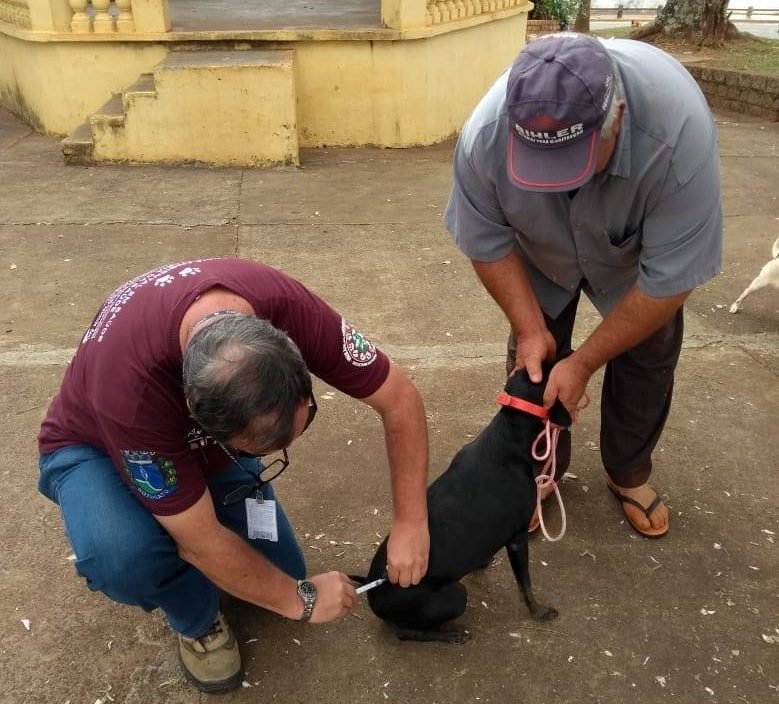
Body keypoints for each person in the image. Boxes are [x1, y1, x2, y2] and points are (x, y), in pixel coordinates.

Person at [38, 258, 430, 693]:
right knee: (125, 556)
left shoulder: (285, 305)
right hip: (95, 449)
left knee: (279, 570)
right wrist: (301, 599)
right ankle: (197, 622)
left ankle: (185, 507)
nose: (280, 452)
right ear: (200, 419)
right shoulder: (134, 393)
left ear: (293, 353)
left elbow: (400, 400)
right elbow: (202, 544)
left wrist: (412, 521)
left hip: (195, 446)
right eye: (261, 449)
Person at [444, 32, 722, 539]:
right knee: (534, 363)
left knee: (649, 354)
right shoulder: (486, 133)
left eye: (571, 162)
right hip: (540, 249)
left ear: (616, 118)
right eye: (539, 166)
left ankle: (628, 471)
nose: (559, 184)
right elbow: (485, 240)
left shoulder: (679, 132)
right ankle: (540, 472)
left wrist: (586, 360)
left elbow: (670, 279)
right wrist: (530, 329)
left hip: (632, 258)